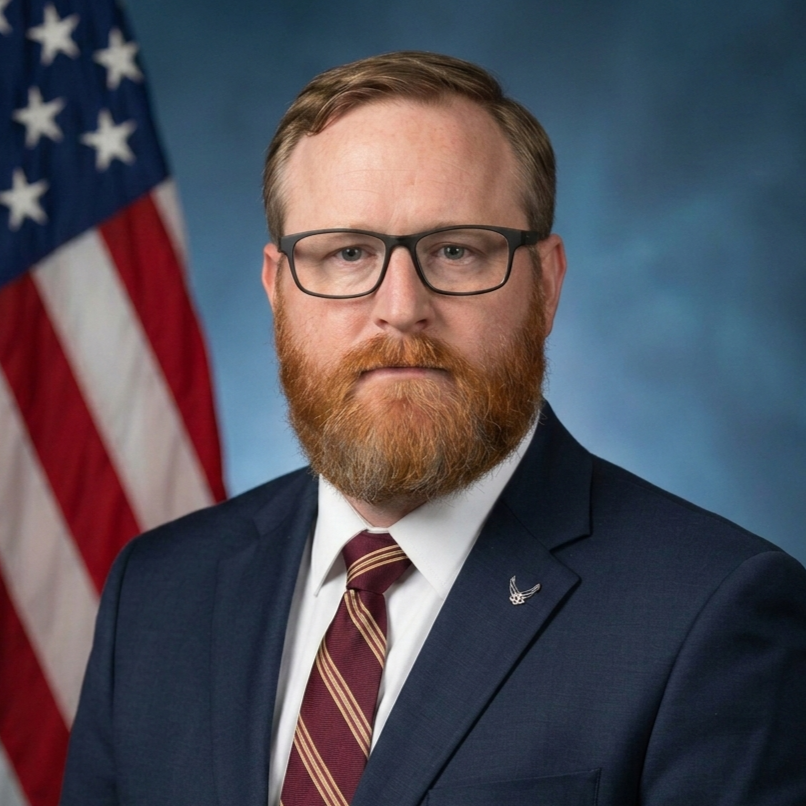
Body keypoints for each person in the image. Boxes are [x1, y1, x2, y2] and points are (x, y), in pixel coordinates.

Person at [60, 51, 806, 806]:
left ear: (546, 286)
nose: (400, 307)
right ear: (277, 289)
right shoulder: (157, 594)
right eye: (347, 253)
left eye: (455, 250)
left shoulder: (710, 613)